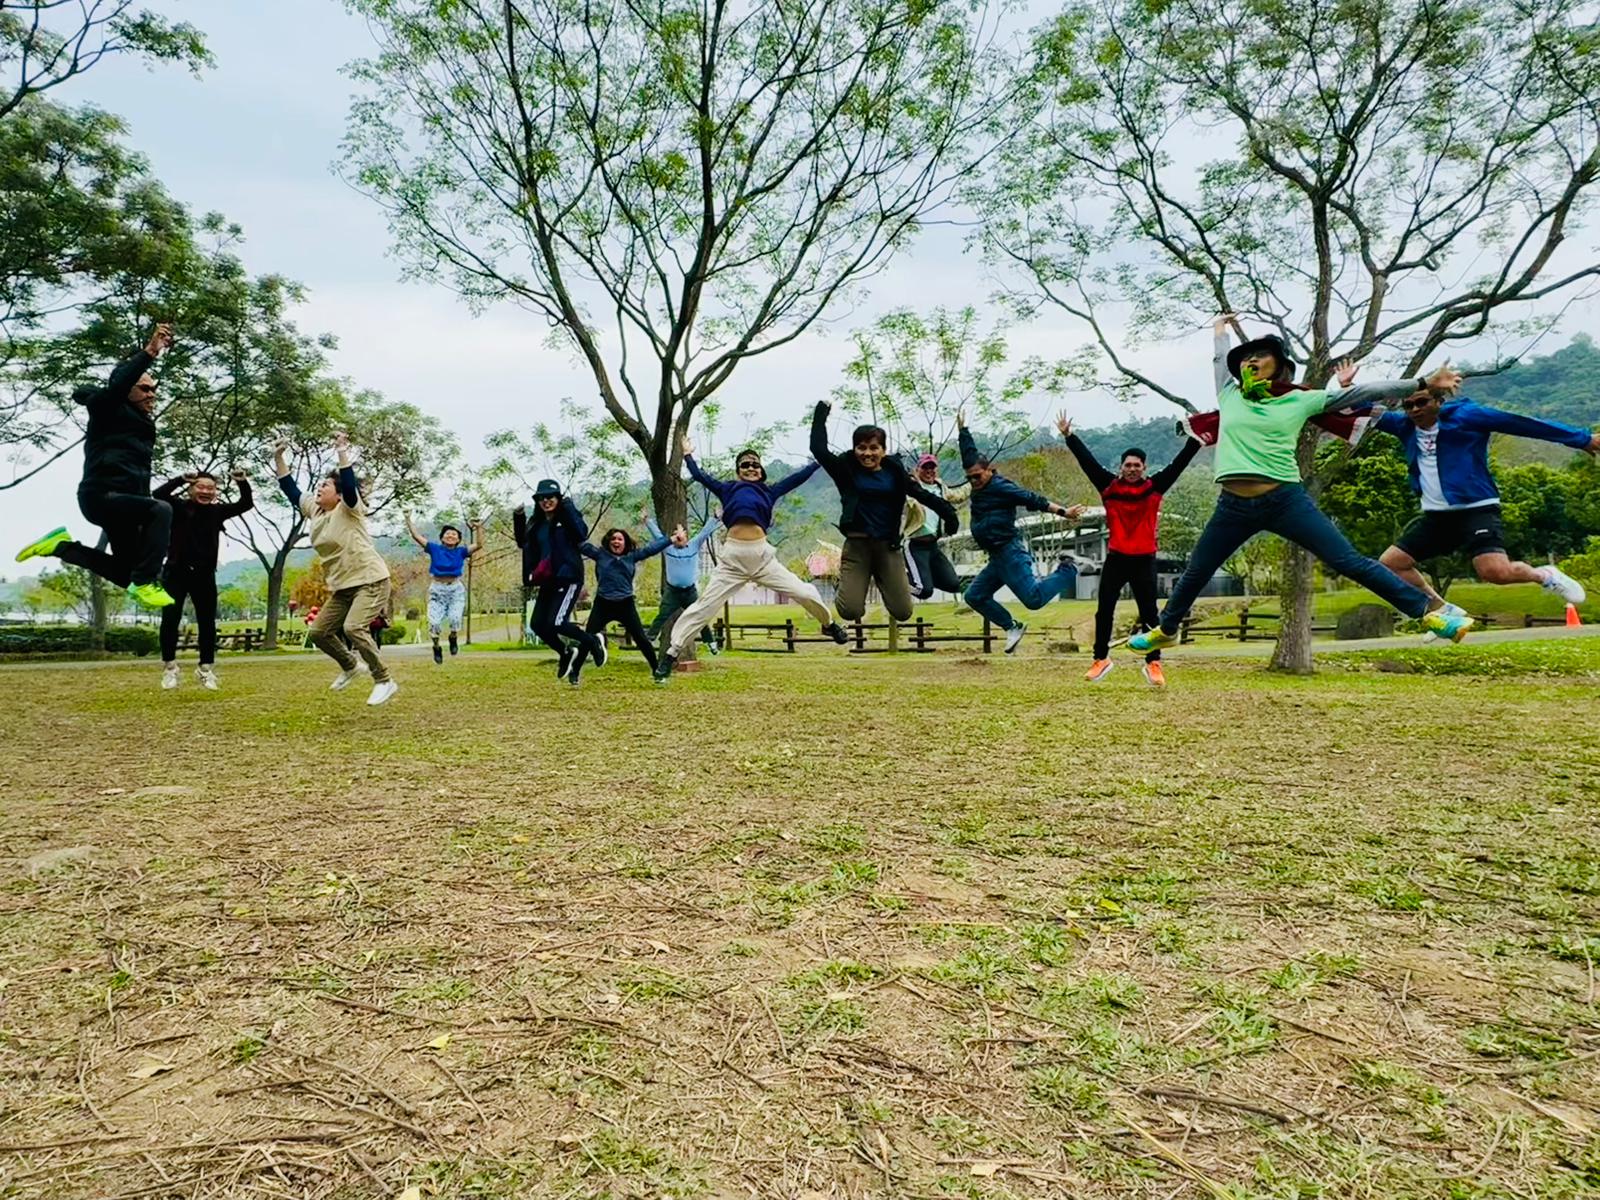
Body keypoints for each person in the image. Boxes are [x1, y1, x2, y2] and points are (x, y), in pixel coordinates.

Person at [1128, 318, 1474, 658]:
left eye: (1261, 355)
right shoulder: (1230, 394)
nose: (1251, 360)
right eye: (1246, 357)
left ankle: (1429, 614)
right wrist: (1219, 331)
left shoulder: (1299, 399)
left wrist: (1422, 382)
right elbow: (1220, 361)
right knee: (1197, 570)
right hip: (1232, 505)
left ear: (1279, 365)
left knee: (1349, 561)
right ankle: (1167, 630)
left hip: (1284, 500)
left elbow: (1363, 392)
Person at [1372, 390, 1595, 609]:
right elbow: (1357, 411)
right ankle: (1443, 611)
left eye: (1421, 402)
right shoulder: (1403, 426)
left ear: (1439, 401)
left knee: (1495, 573)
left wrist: (1581, 439)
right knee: (1392, 563)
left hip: (1476, 509)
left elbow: (1523, 424)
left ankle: (1545, 575)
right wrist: (1346, 388)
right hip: (1436, 516)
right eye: (1408, 405)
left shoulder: (1467, 416)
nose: (1415, 410)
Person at [653, 438, 848, 683]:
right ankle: (671, 653)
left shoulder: (769, 490)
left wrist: (819, 460)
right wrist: (688, 454)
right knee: (704, 607)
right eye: (745, 464)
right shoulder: (728, 489)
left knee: (805, 592)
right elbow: (699, 476)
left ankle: (829, 624)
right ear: (738, 470)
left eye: (755, 465)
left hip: (763, 558)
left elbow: (797, 478)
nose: (751, 468)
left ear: (761, 470)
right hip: (732, 561)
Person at [15, 324, 178, 607]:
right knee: (162, 509)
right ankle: (144, 582)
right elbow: (115, 389)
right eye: (145, 388)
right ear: (126, 389)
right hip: (101, 497)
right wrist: (150, 351)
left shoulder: (142, 424)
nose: (152, 394)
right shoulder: (106, 407)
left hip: (127, 505)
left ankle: (62, 546)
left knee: (127, 572)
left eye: (154, 389)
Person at [1059, 414, 1201, 686]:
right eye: (1128, 465)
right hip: (1116, 558)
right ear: (1121, 467)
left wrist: (1196, 441)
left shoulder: (1155, 486)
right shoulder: (1108, 486)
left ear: (1144, 467)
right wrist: (1069, 437)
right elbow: (1087, 462)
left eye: (1137, 465)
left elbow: (1178, 464)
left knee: (1150, 613)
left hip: (1145, 560)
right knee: (1104, 610)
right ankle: (1100, 659)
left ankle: (1153, 663)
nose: (1132, 468)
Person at [275, 433, 398, 706]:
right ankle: (351, 666)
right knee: (319, 632)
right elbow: (289, 488)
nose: (319, 489)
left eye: (326, 485)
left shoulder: (349, 508)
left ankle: (384, 679)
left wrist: (342, 451)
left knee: (354, 628)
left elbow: (350, 485)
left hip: (371, 580)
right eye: (319, 485)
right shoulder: (316, 511)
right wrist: (279, 456)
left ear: (339, 493)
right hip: (342, 587)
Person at [809, 400, 959, 623]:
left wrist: (950, 516)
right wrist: (821, 412)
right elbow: (818, 449)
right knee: (850, 612)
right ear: (854, 449)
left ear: (883, 450)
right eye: (861, 447)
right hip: (857, 547)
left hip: (888, 549)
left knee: (903, 612)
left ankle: (884, 579)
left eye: (873, 448)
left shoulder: (895, 473)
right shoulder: (845, 470)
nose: (867, 453)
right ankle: (852, 585)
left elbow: (923, 495)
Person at [957, 411, 1084, 654]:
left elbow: (1032, 499)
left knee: (1033, 600)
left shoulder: (1001, 486)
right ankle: (1012, 626)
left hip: (1010, 551)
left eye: (977, 476)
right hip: (996, 556)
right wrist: (963, 431)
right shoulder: (976, 475)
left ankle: (1070, 569)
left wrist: (1063, 511)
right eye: (969, 478)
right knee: (975, 596)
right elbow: (968, 454)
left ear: (989, 470)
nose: (973, 481)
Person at [153, 468, 255, 690]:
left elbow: (245, 504)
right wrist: (180, 479)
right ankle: (170, 667)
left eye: (211, 488)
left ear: (216, 492)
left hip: (204, 575)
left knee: (207, 622)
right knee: (170, 619)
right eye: (200, 486)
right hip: (175, 572)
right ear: (190, 489)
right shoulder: (178, 507)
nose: (206, 491)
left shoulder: (217, 512)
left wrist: (241, 481)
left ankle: (206, 668)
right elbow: (158, 494)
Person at [513, 479, 603, 680]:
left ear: (558, 499)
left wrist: (568, 506)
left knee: (557, 622)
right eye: (541, 498)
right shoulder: (536, 523)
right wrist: (519, 518)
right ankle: (565, 652)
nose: (546, 501)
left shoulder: (567, 518)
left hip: (568, 576)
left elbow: (581, 534)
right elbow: (522, 543)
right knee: (537, 624)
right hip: (547, 579)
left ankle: (592, 641)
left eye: (550, 497)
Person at [567, 526, 671, 684]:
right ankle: (574, 673)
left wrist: (670, 539)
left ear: (625, 543)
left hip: (625, 604)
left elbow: (651, 549)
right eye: (613, 539)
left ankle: (657, 671)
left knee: (641, 639)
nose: (616, 541)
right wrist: (566, 530)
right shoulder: (600, 554)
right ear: (609, 542)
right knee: (588, 638)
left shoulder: (632, 556)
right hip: (603, 603)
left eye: (620, 539)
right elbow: (582, 545)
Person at [405, 514, 484, 664]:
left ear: (458, 539)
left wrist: (479, 527)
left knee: (455, 619)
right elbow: (416, 536)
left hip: (455, 589)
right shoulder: (434, 549)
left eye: (454, 534)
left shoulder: (461, 552)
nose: (450, 535)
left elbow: (479, 544)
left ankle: (453, 638)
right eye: (447, 533)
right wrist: (408, 519)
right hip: (437, 589)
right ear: (442, 538)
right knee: (434, 623)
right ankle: (436, 647)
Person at [644, 508, 722, 655]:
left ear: (686, 536)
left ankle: (710, 642)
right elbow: (657, 535)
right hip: (673, 591)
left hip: (690, 591)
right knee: (663, 614)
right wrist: (648, 520)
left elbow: (705, 532)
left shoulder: (694, 545)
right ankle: (650, 638)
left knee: (699, 616)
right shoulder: (667, 548)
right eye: (675, 535)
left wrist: (715, 518)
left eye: (681, 534)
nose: (679, 537)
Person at [900, 454, 970, 599]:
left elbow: (959, 495)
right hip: (914, 544)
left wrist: (974, 480)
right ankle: (893, 582)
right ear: (918, 469)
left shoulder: (940, 487)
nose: (929, 471)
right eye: (925, 467)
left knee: (953, 584)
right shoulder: (911, 488)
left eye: (932, 467)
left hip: (933, 546)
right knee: (923, 591)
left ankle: (926, 580)